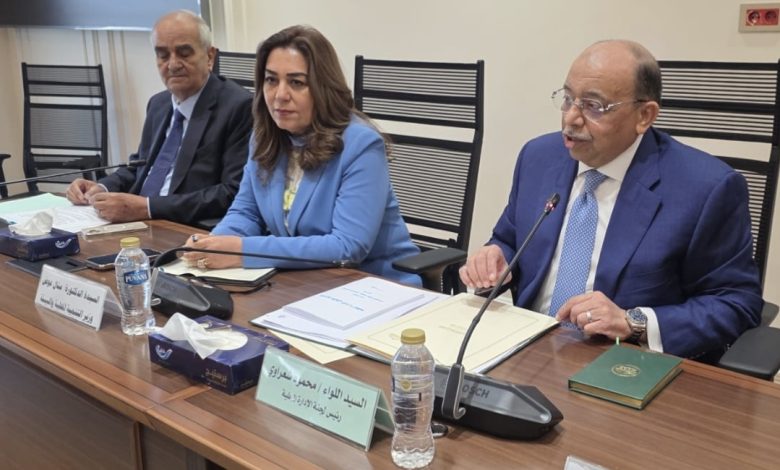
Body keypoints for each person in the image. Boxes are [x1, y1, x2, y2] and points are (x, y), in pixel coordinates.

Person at [459, 40, 763, 360]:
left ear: (644, 115)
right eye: (568, 99)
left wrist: (634, 322)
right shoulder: (538, 157)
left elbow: (736, 303)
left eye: (593, 106)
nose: (571, 119)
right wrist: (495, 257)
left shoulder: (706, 188)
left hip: (625, 362)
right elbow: (509, 238)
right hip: (525, 349)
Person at [182, 25, 421, 286]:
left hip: (377, 285)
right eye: (271, 80)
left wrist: (242, 251)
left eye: (296, 83)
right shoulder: (264, 138)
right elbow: (246, 213)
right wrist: (213, 245)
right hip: (304, 282)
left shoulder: (360, 145)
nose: (280, 95)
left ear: (323, 88)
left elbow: (347, 246)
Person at [66, 10, 252, 225]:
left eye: (184, 53)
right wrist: (102, 187)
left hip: (185, 227)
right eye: (163, 55)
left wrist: (147, 208)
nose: (172, 64)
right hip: (135, 222)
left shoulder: (239, 107)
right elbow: (139, 167)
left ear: (210, 56)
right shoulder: (158, 104)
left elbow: (232, 192)